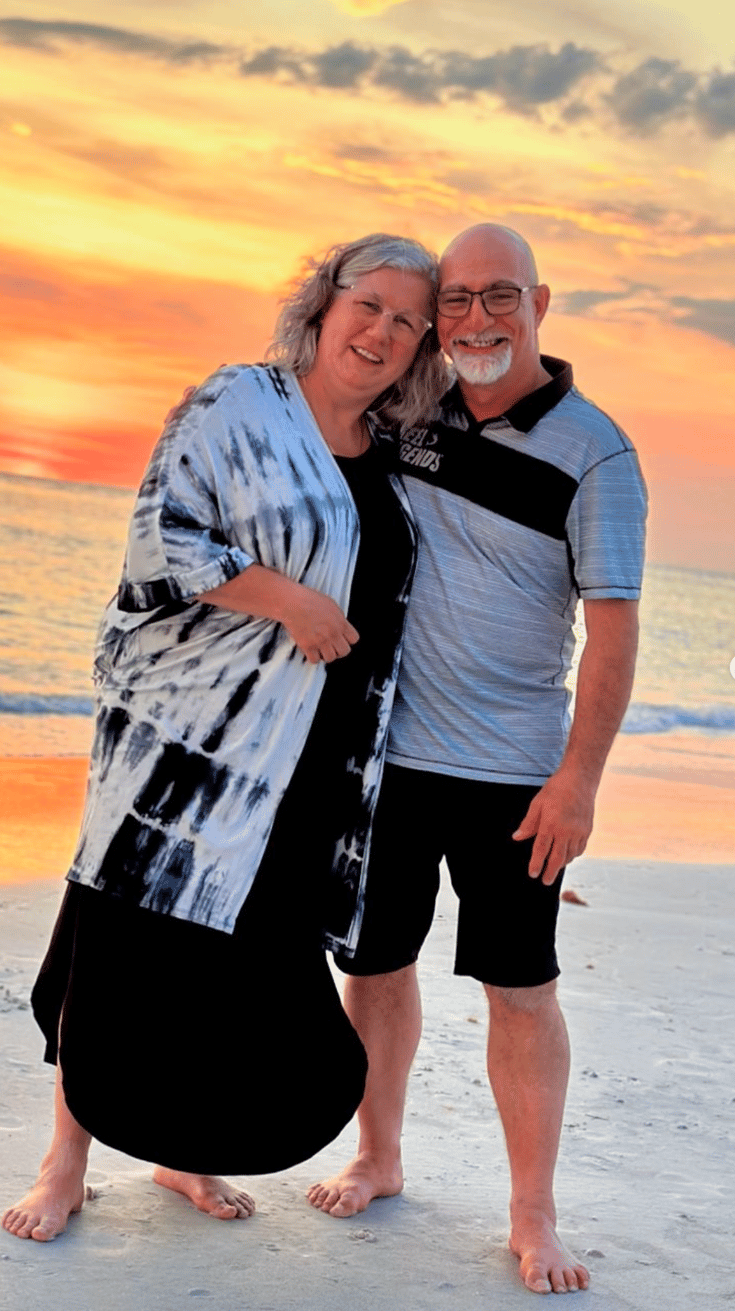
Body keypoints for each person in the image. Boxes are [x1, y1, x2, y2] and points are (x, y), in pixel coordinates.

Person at [2, 233, 450, 1242]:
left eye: (404, 320)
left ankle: (181, 1151)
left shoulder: (388, 459)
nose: (379, 331)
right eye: (367, 304)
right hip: (184, 757)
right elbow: (162, 539)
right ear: (324, 302)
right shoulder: (239, 404)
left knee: (232, 973)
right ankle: (63, 1162)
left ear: (419, 345)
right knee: (117, 954)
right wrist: (288, 601)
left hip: (306, 768)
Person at [307, 224, 648, 1296]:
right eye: (454, 300)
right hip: (389, 758)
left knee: (520, 987)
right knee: (372, 966)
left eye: (497, 296)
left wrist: (578, 780)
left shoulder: (596, 451)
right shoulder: (411, 408)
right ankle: (379, 1154)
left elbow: (614, 629)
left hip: (514, 774)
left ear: (538, 300)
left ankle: (531, 1215)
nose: (473, 320)